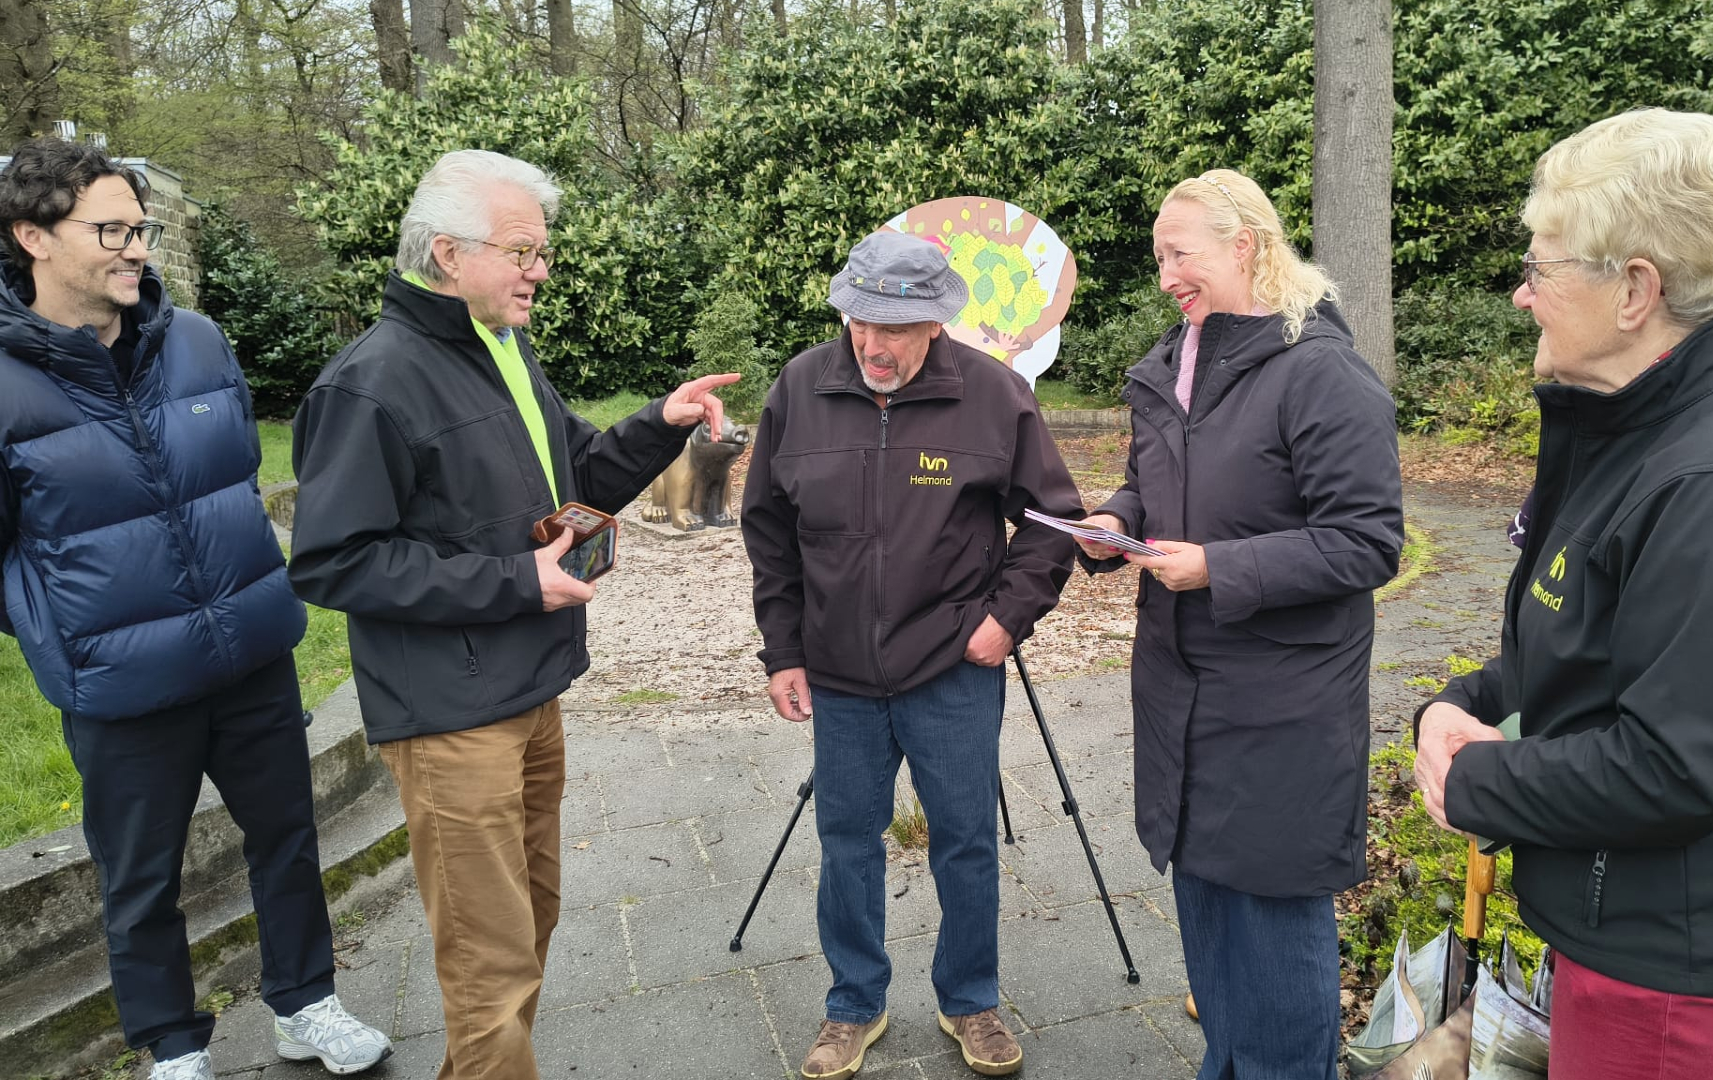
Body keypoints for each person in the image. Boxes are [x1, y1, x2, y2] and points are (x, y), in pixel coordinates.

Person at [1412, 108, 1713, 1080]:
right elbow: (1593, 636)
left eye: (1539, 267)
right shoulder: (1639, 429)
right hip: (1634, 920)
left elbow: (1678, 766)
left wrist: (1478, 781)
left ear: (1635, 290)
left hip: (1674, 965)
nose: (1521, 296)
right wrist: (1465, 705)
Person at [288, 149, 736, 1080]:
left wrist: (663, 420)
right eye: (524, 250)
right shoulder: (368, 384)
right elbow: (335, 561)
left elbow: (580, 483)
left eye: (543, 251)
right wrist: (515, 584)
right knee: (489, 965)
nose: (542, 269)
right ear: (448, 254)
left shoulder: (501, 348)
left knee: (529, 923)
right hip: (452, 717)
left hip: (531, 690)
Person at [0, 138, 391, 1080]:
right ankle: (171, 1046)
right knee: (141, 882)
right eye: (112, 230)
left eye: (142, 228)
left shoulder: (199, 342)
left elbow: (234, 481)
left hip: (251, 654)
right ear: (32, 237)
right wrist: (65, 635)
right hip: (121, 687)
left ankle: (306, 1004)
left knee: (288, 842)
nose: (136, 248)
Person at [1073, 168, 1404, 1080]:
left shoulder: (1320, 372)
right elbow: (1160, 484)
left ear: (1245, 246)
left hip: (1281, 701)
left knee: (1274, 918)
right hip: (1181, 687)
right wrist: (1114, 519)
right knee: (1207, 903)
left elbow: (1369, 542)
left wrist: (1219, 567)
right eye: (1159, 259)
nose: (1167, 275)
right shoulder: (1171, 367)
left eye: (1180, 254)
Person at [740, 230, 1082, 1079]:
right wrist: (783, 650)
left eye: (894, 327)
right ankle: (853, 1003)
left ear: (937, 322)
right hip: (839, 674)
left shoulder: (995, 396)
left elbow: (1051, 526)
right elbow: (769, 532)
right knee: (846, 839)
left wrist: (1006, 620)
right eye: (859, 320)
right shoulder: (800, 389)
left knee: (965, 839)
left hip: (952, 668)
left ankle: (971, 999)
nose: (872, 343)